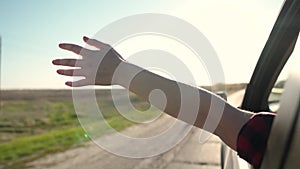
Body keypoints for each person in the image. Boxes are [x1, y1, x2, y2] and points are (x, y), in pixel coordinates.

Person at [52, 36, 275, 169]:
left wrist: (121, 72)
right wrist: (120, 73)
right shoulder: (284, 140)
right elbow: (210, 113)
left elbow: (212, 114)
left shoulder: (282, 140)